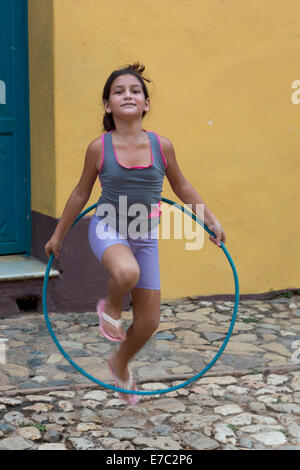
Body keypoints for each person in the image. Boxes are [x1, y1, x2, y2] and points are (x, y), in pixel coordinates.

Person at [45, 62, 226, 405]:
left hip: (145, 236)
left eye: (135, 91)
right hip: (107, 226)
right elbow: (81, 194)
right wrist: (58, 235)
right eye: (118, 91)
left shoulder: (162, 146)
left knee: (148, 322)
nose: (127, 95)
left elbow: (182, 187)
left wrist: (209, 220)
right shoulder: (99, 148)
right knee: (127, 272)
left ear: (145, 104)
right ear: (107, 105)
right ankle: (111, 308)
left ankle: (120, 362)